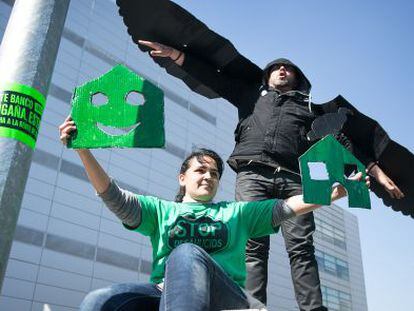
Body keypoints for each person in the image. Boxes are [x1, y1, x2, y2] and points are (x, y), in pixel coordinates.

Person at [135, 40, 404, 310]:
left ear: (298, 78)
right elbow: (213, 79)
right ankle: (252, 306)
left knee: (301, 246)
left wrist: (375, 171)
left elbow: (342, 141)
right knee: (252, 243)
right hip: (253, 173)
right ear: (268, 75)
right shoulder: (249, 95)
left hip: (294, 178)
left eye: (288, 68)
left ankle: (312, 308)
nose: (282, 70)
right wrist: (177, 55)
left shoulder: (311, 110)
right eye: (277, 67)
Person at [59, 117, 367, 311]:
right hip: (163, 294)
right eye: (200, 170)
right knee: (99, 301)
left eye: (215, 174)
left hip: (226, 297)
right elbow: (112, 196)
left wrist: (330, 193)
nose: (208, 176)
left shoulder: (236, 213)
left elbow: (287, 206)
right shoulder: (161, 211)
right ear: (183, 177)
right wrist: (83, 150)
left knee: (187, 253)